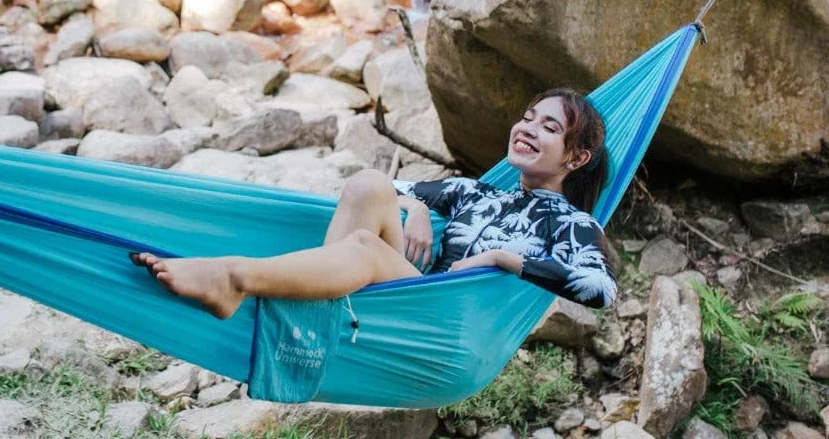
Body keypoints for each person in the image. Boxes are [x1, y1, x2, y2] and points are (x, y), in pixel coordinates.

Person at [132, 87, 617, 319]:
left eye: (548, 128)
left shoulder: (572, 224)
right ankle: (313, 315)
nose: (528, 128)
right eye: (528, 117)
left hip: (448, 320)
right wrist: (420, 209)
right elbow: (395, 186)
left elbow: (601, 289)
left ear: (577, 157)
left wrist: (498, 259)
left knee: (365, 245)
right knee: (369, 185)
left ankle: (235, 278)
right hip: (411, 294)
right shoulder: (476, 192)